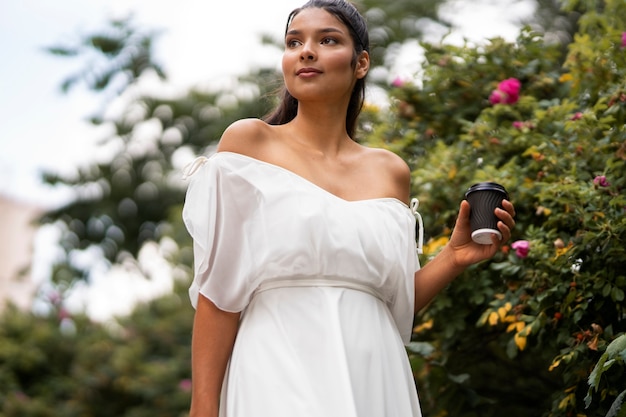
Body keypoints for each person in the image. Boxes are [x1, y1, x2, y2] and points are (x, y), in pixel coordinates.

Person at [182, 0, 516, 416]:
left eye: (327, 39)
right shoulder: (250, 143)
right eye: (293, 42)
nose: (306, 51)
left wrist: (454, 256)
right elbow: (219, 294)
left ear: (360, 63)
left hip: (375, 372)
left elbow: (395, 303)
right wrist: (203, 407)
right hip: (276, 363)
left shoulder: (389, 170)